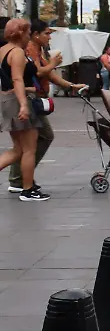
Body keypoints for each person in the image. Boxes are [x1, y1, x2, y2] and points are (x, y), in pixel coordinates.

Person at [7, 20, 88, 197]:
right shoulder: (27, 49)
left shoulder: (36, 49)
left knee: (24, 146)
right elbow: (34, 73)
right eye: (47, 33)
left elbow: (49, 75)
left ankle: (22, 179)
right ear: (34, 34)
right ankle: (21, 181)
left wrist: (70, 86)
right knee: (29, 145)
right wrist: (52, 63)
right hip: (27, 99)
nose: (49, 37)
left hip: (28, 99)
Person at [0, 20, 49, 202]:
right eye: (28, 32)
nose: (29, 36)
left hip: (6, 100)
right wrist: (23, 104)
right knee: (29, 149)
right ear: (20, 33)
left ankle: (28, 187)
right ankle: (28, 190)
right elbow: (17, 79)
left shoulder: (2, 50)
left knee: (18, 149)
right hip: (17, 101)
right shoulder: (17, 52)